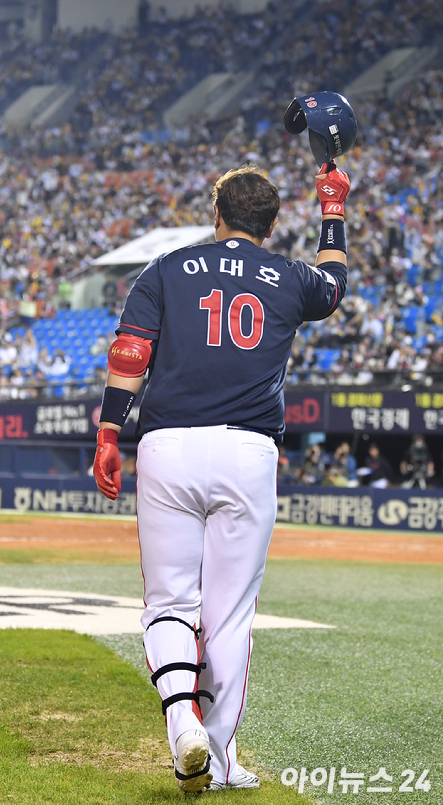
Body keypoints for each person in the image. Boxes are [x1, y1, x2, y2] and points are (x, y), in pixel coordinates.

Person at [92, 162, 349, 792]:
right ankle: (222, 758)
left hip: (167, 446)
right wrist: (334, 209)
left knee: (169, 602)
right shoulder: (288, 277)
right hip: (248, 454)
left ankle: (182, 721)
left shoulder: (167, 267)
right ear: (271, 223)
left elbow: (131, 352)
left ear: (217, 216)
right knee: (229, 617)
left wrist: (107, 433)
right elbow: (335, 285)